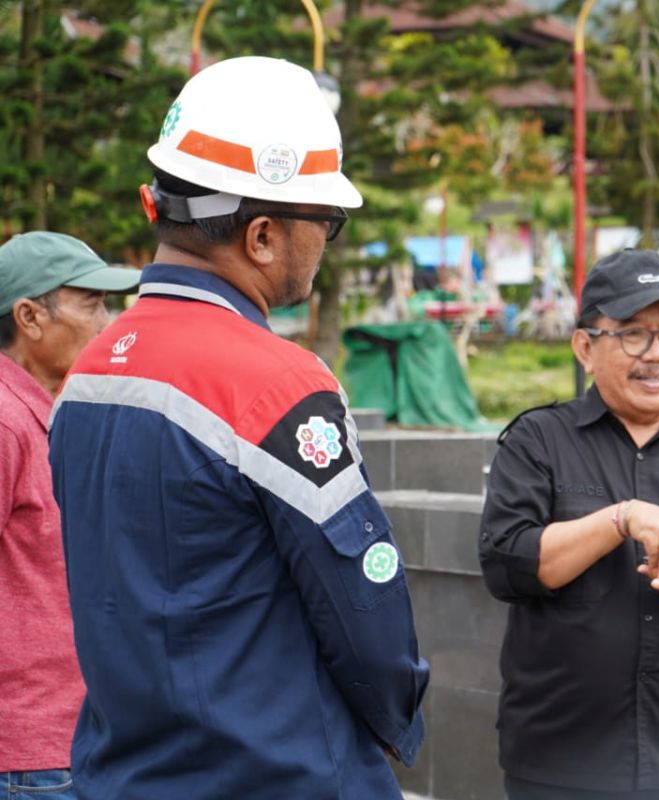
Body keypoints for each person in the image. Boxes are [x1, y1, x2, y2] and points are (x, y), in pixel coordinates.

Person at [48, 56, 428, 800]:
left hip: (121, 775)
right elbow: (366, 612)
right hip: (278, 777)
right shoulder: (279, 386)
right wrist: (399, 719)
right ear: (261, 236)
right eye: (329, 221)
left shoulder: (87, 375)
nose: (329, 241)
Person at [479, 249, 659, 800]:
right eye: (633, 334)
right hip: (563, 766)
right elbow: (507, 563)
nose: (657, 355)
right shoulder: (539, 441)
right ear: (585, 346)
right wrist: (621, 519)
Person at [0, 232, 139, 800]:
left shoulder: (51, 412)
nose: (109, 322)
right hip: (29, 762)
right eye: (91, 303)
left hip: (68, 744)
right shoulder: (6, 424)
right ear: (29, 316)